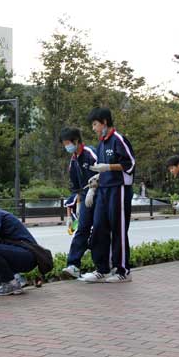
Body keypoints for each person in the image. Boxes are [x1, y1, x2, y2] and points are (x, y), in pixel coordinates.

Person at [80, 107, 136, 283]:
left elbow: (130, 164)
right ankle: (102, 268)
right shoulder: (102, 143)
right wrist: (96, 178)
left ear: (104, 122)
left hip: (119, 189)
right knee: (98, 227)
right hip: (104, 188)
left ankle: (123, 271)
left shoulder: (118, 139)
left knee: (118, 229)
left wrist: (109, 167)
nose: (94, 128)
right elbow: (102, 166)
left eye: (95, 124)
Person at [59, 127, 98, 278]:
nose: (66, 147)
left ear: (76, 141)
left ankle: (105, 264)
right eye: (64, 144)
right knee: (82, 228)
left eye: (68, 143)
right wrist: (79, 206)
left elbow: (104, 172)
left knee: (100, 229)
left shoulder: (90, 153)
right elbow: (77, 188)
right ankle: (73, 265)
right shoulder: (73, 160)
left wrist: (94, 189)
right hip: (85, 196)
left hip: (100, 193)